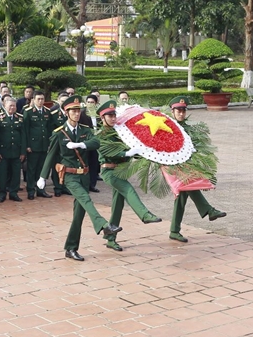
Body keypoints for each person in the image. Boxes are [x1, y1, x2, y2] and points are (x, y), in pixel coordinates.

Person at [37, 95, 122, 261]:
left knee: (79, 214)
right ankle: (104, 226)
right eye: (73, 111)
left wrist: (81, 144)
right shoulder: (59, 133)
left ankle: (71, 248)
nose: (77, 114)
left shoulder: (85, 130)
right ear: (66, 113)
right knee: (86, 199)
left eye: (78, 111)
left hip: (84, 175)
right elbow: (50, 155)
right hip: (69, 176)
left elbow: (96, 142)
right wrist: (42, 176)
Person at [95, 101, 162, 251]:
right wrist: (126, 153)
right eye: (109, 116)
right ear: (102, 118)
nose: (113, 118)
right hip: (109, 171)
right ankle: (144, 214)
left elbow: (131, 147)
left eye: (114, 115)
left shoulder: (120, 131)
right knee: (128, 189)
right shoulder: (101, 135)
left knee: (118, 205)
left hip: (121, 170)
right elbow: (109, 152)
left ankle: (110, 238)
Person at [167, 96, 227, 242]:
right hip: (173, 166)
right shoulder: (168, 127)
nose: (181, 113)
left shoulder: (187, 128)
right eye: (178, 111)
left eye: (183, 110)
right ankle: (208, 210)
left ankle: (174, 230)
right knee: (188, 188)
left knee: (182, 197)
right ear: (172, 111)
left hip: (187, 165)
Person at [23, 91, 54, 201]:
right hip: (33, 145)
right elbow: (25, 130)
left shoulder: (47, 111)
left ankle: (41, 189)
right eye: (38, 99)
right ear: (34, 100)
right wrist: (27, 145)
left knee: (42, 169)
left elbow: (49, 129)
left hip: (44, 145)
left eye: (42, 99)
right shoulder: (29, 112)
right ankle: (31, 190)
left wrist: (50, 143)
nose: (40, 101)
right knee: (31, 169)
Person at [0, 98, 25, 203]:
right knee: (2, 174)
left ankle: (14, 193)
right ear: (4, 106)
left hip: (16, 151)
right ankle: (2, 193)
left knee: (16, 174)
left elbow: (23, 136)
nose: (12, 108)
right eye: (10, 106)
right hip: (3, 152)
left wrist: (22, 152)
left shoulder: (20, 118)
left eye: (14, 106)